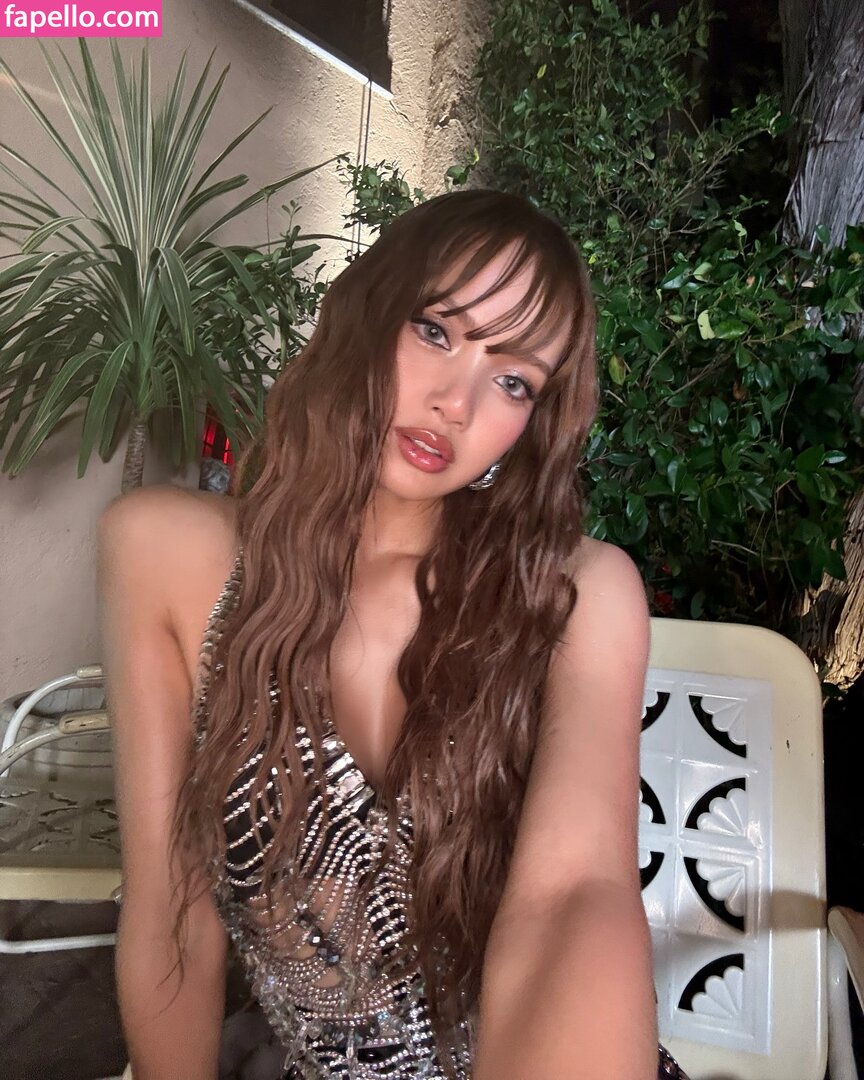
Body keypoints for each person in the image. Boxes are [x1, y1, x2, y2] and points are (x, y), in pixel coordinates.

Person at [97, 189, 689, 1080]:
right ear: (367, 313)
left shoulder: (576, 593)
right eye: (437, 331)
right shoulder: (163, 553)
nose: (457, 402)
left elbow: (576, 893)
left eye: (514, 380)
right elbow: (170, 911)